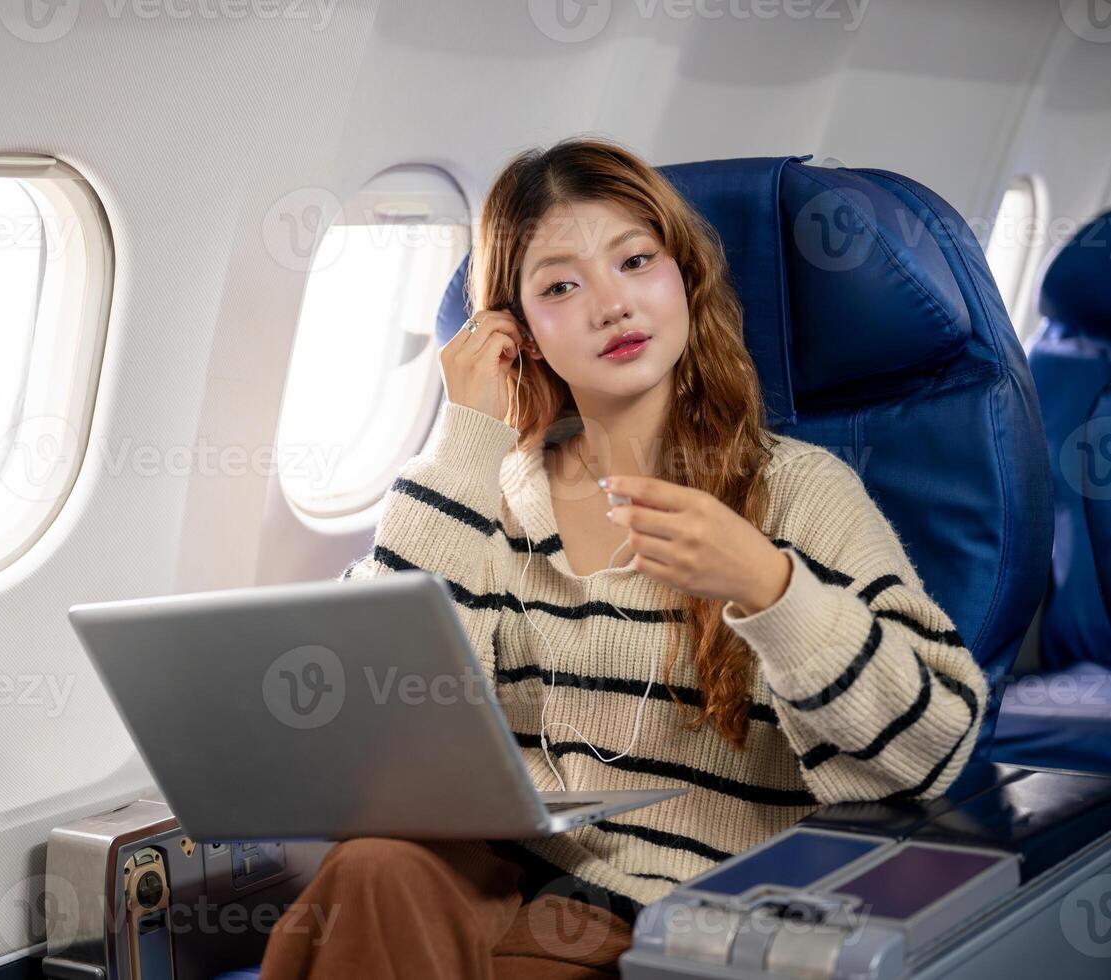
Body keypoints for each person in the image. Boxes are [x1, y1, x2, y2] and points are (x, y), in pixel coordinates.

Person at [258, 136, 990, 979]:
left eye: (635, 261)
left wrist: (767, 585)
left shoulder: (794, 492)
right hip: (491, 880)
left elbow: (932, 751)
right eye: (560, 285)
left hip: (673, 916)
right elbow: (367, 748)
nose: (610, 304)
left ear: (684, 278)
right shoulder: (480, 493)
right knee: (369, 866)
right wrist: (465, 439)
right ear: (517, 331)